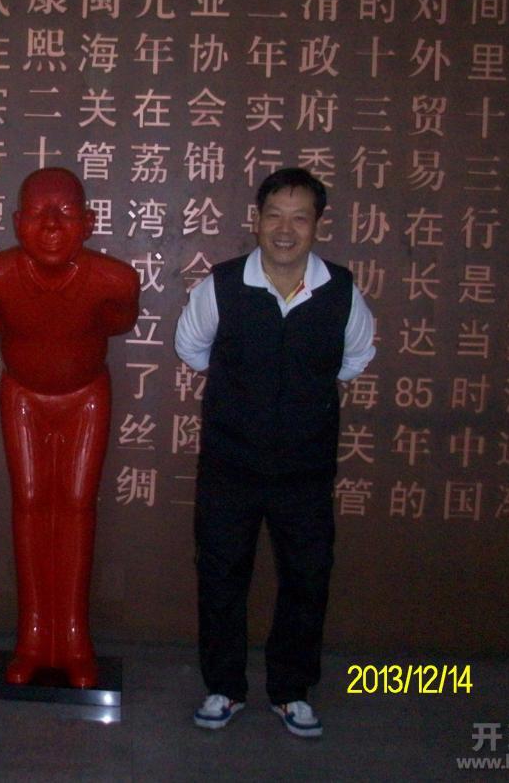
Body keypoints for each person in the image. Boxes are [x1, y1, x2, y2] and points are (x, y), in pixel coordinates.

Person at [175, 167, 375, 736]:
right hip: (230, 462)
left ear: (317, 225)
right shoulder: (221, 285)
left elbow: (356, 358)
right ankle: (223, 688)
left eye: (299, 218)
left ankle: (291, 691)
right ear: (257, 220)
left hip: (305, 468)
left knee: (307, 578)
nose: (285, 230)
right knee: (221, 575)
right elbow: (191, 348)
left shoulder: (341, 291)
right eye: (274, 216)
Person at [0, 168, 140, 689]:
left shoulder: (115, 281)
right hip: (24, 396)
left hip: (85, 397)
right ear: (17, 222)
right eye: (38, 213)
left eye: (65, 213)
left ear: (89, 222)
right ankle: (34, 637)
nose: (51, 224)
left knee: (78, 508)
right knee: (30, 506)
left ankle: (74, 639)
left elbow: (119, 321)